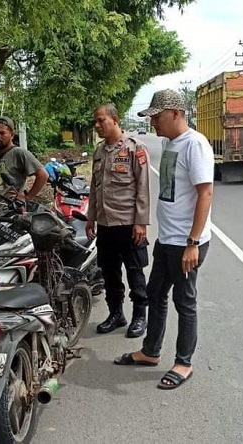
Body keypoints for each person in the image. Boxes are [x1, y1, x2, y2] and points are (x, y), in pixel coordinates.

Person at [114, 89, 214, 390]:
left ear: (175, 113)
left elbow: (205, 193)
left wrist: (193, 242)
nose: (154, 123)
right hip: (168, 239)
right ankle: (151, 351)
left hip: (186, 242)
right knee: (155, 294)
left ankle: (184, 363)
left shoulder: (195, 144)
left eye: (157, 117)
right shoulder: (171, 143)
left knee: (185, 302)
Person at [86, 104, 151, 338]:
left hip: (128, 224)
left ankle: (139, 317)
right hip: (105, 225)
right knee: (110, 273)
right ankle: (116, 314)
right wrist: (91, 217)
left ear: (114, 119)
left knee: (135, 273)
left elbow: (143, 187)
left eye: (101, 120)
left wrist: (141, 222)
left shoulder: (135, 149)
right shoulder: (99, 152)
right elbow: (95, 188)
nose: (97, 125)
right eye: (96, 121)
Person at [0, 116, 49, 239]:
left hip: (11, 215)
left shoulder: (19, 154)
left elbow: (43, 175)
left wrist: (27, 197)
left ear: (11, 134)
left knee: (8, 254)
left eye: (2, 133)